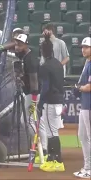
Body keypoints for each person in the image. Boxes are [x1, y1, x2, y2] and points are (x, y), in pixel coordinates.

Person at [37, 35, 65, 172]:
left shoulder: (45, 66)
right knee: (54, 131)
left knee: (51, 132)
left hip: (50, 102)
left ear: (42, 51)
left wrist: (40, 103)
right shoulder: (58, 64)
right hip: (59, 101)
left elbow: (45, 87)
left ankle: (56, 161)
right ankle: (52, 159)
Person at [14, 34, 40, 140]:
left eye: (19, 45)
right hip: (30, 94)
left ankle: (36, 143)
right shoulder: (25, 56)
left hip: (33, 95)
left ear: (26, 45)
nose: (17, 47)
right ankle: (43, 149)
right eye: (16, 44)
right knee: (36, 121)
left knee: (26, 120)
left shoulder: (30, 59)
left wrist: (34, 101)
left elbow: (34, 80)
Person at [72, 37, 91, 179]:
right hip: (85, 105)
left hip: (89, 105)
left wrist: (79, 88)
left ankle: (89, 168)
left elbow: (89, 87)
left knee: (89, 137)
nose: (83, 49)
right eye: (82, 47)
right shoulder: (87, 63)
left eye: (87, 47)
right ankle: (87, 167)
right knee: (82, 136)